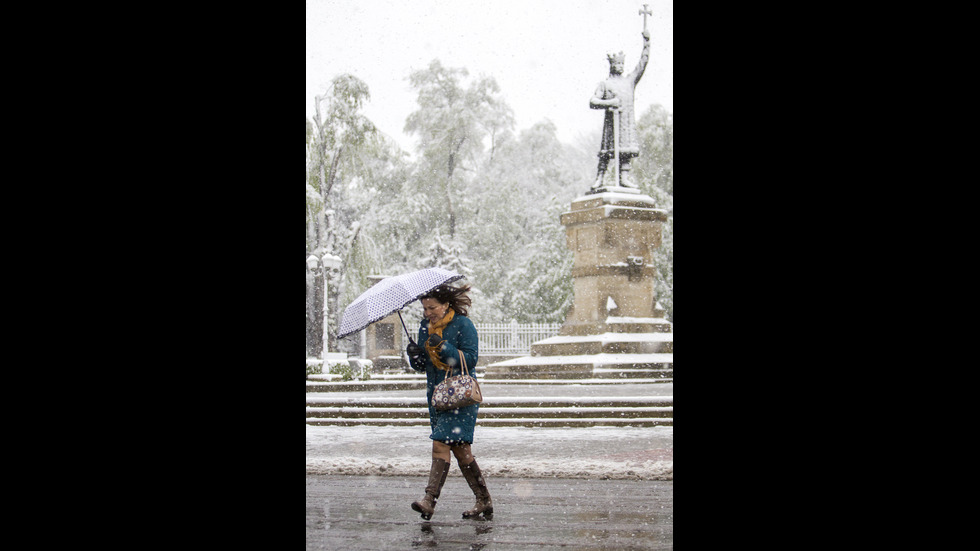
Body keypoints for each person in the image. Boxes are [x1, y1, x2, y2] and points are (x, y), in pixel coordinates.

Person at [405, 283, 492, 521]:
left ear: (445, 305)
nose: (427, 313)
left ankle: (429, 500)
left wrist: (442, 346)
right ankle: (484, 500)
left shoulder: (463, 325)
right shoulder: (426, 327)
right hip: (437, 396)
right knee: (461, 451)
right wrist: (414, 355)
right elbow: (425, 365)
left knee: (440, 444)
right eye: (424, 308)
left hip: (460, 396)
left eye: (432, 307)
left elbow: (470, 359)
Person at [589, 28, 651, 190]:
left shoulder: (629, 81)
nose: (620, 66)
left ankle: (624, 177)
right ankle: (600, 177)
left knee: (626, 149)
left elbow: (642, 64)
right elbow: (593, 101)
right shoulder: (605, 84)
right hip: (612, 123)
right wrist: (610, 103)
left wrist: (647, 44)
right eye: (617, 63)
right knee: (606, 150)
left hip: (626, 123)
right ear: (611, 65)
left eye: (622, 63)